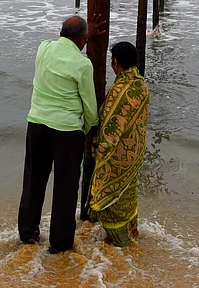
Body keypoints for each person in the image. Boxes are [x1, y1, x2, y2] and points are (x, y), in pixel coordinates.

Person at [18, 15, 99, 254]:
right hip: (66, 131)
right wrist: (88, 126)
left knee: (33, 180)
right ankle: (60, 243)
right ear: (83, 39)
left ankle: (28, 234)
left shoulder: (43, 48)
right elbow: (89, 106)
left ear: (61, 32)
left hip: (37, 123)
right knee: (65, 187)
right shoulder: (83, 64)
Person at [87, 42, 150, 247]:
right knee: (127, 196)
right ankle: (130, 236)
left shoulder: (121, 89)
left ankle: (120, 244)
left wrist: (97, 150)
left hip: (119, 156)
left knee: (107, 199)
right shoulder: (140, 84)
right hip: (135, 153)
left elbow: (111, 129)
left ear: (115, 63)